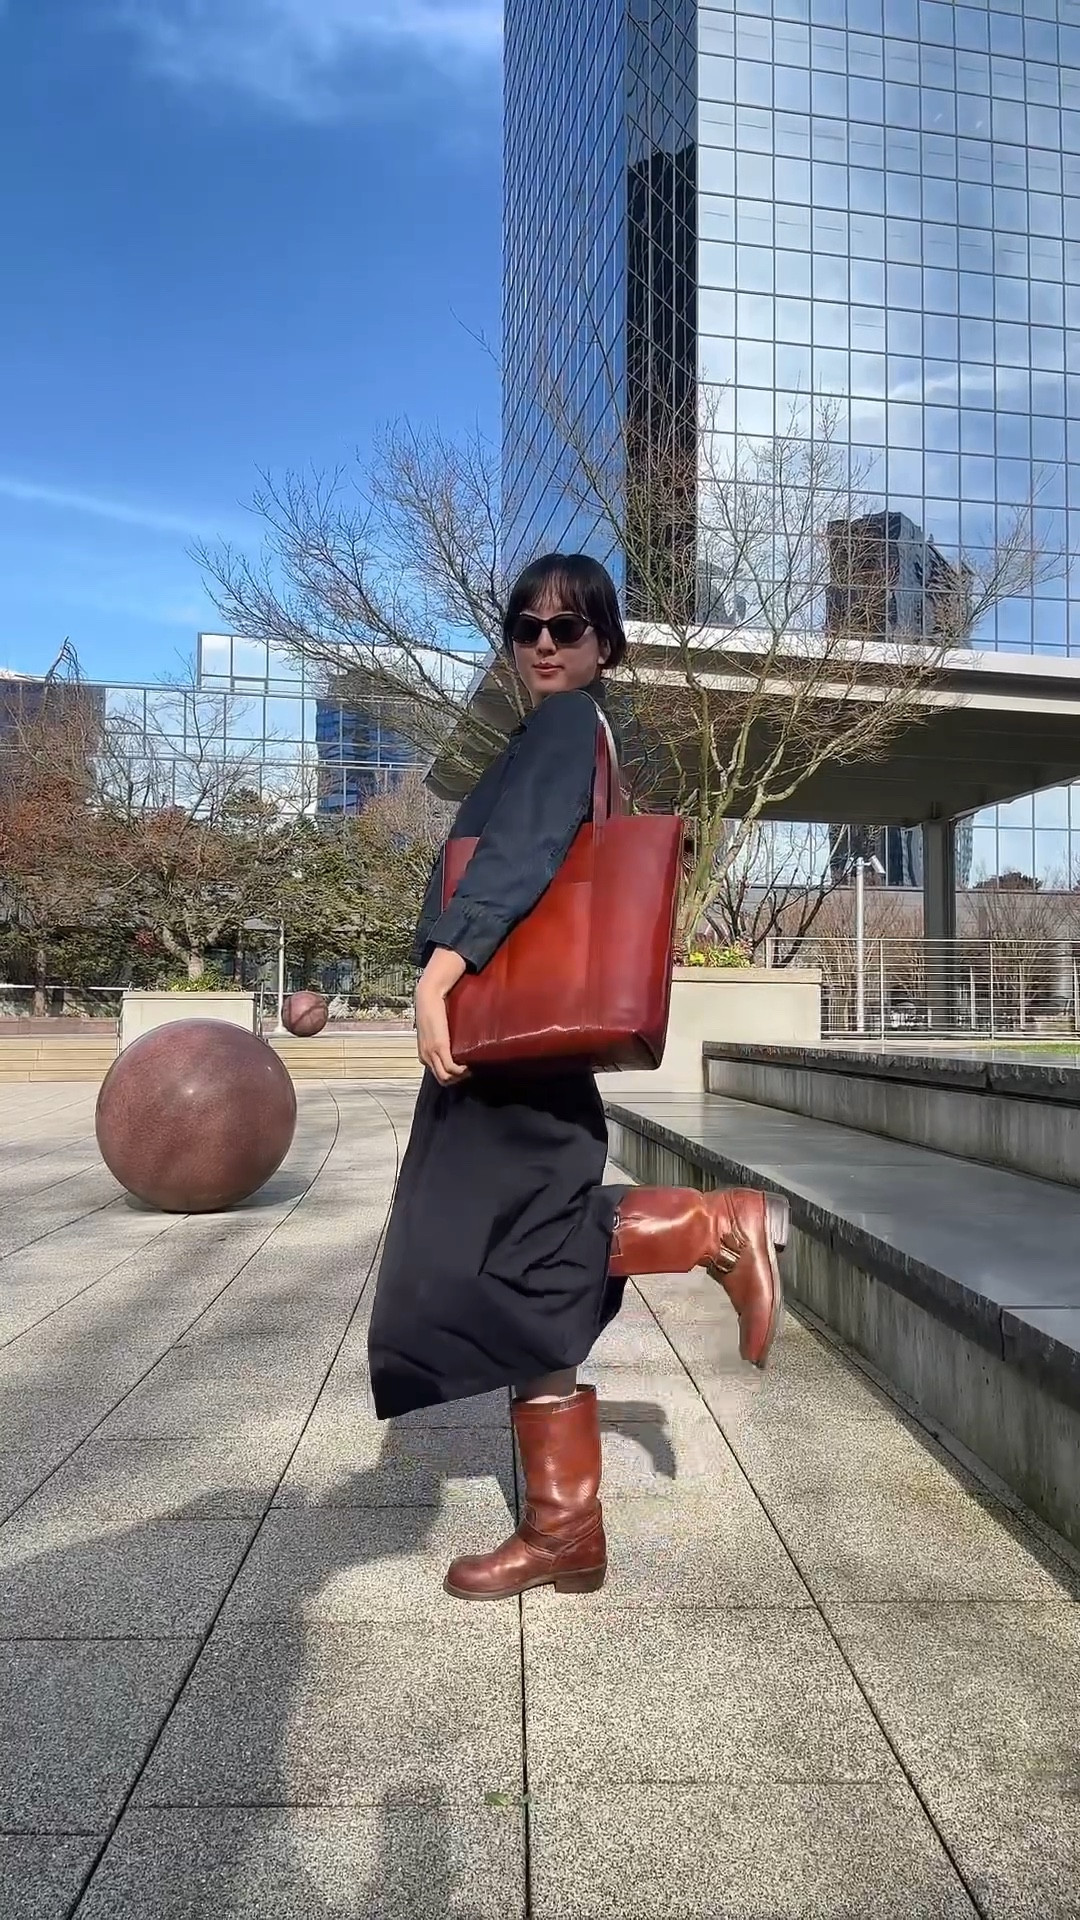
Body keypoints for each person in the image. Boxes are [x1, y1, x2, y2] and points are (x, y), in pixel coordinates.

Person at [367, 553, 787, 1601]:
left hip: (507, 1041)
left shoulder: (564, 729)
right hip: (516, 1046)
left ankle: (710, 1230)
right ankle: (566, 1533)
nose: (545, 643)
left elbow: (525, 851)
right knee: (510, 1266)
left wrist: (442, 971)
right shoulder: (565, 732)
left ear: (605, 644)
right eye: (527, 628)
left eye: (569, 627)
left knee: (487, 1257)